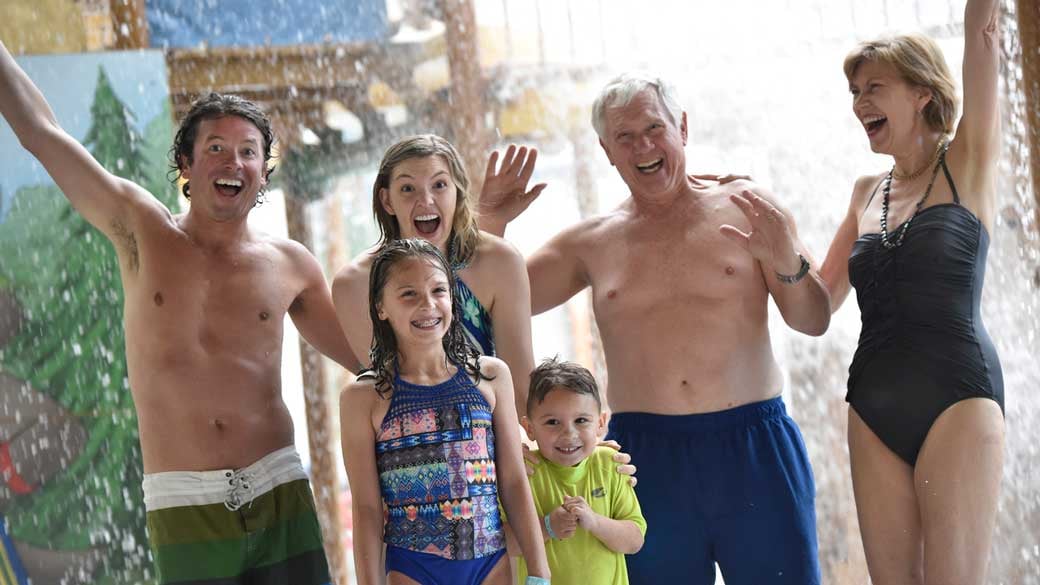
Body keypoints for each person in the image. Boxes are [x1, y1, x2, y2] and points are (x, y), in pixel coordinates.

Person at [0, 40, 358, 584]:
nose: (233, 162)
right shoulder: (141, 229)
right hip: (184, 500)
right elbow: (40, 132)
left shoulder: (291, 264)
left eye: (248, 151)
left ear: (263, 173)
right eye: (216, 148)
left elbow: (372, 362)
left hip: (279, 488)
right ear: (186, 165)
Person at [479, 72, 831, 584]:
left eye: (653, 128)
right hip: (644, 457)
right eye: (624, 137)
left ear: (682, 128)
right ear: (607, 151)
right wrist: (489, 220)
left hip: (754, 443)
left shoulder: (749, 208)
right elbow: (489, 297)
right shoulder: (593, 242)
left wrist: (787, 261)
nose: (642, 146)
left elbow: (814, 319)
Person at [818, 2, 1004, 582]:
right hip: (872, 404)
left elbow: (981, 33)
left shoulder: (968, 160)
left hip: (958, 395)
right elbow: (818, 303)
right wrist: (775, 244)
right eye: (854, 91)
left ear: (923, 93)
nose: (859, 103)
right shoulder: (864, 192)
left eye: (874, 87)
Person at [339, 238, 550, 585]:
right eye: (408, 294)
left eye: (438, 290)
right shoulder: (365, 397)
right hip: (414, 567)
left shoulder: (490, 377)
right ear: (381, 307)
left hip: (489, 562)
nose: (428, 304)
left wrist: (540, 572)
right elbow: (366, 508)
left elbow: (513, 482)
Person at [332, 135, 541, 419]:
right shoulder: (356, 284)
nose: (426, 200)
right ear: (387, 200)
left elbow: (522, 390)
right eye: (408, 188)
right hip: (407, 433)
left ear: (458, 192)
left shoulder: (499, 261)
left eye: (440, 185)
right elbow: (391, 391)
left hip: (493, 432)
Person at [508, 357, 645, 585]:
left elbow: (635, 541)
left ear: (600, 423)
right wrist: (547, 527)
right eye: (552, 422)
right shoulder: (525, 471)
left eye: (581, 420)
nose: (569, 433)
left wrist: (595, 522)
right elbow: (500, 544)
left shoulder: (611, 464)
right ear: (529, 428)